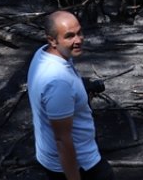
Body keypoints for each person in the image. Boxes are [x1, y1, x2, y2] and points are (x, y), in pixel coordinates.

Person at [28, 11, 115, 180]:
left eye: (79, 33)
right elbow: (62, 140)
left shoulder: (43, 54)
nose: (78, 40)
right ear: (52, 40)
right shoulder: (58, 82)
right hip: (80, 164)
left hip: (50, 157)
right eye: (69, 36)